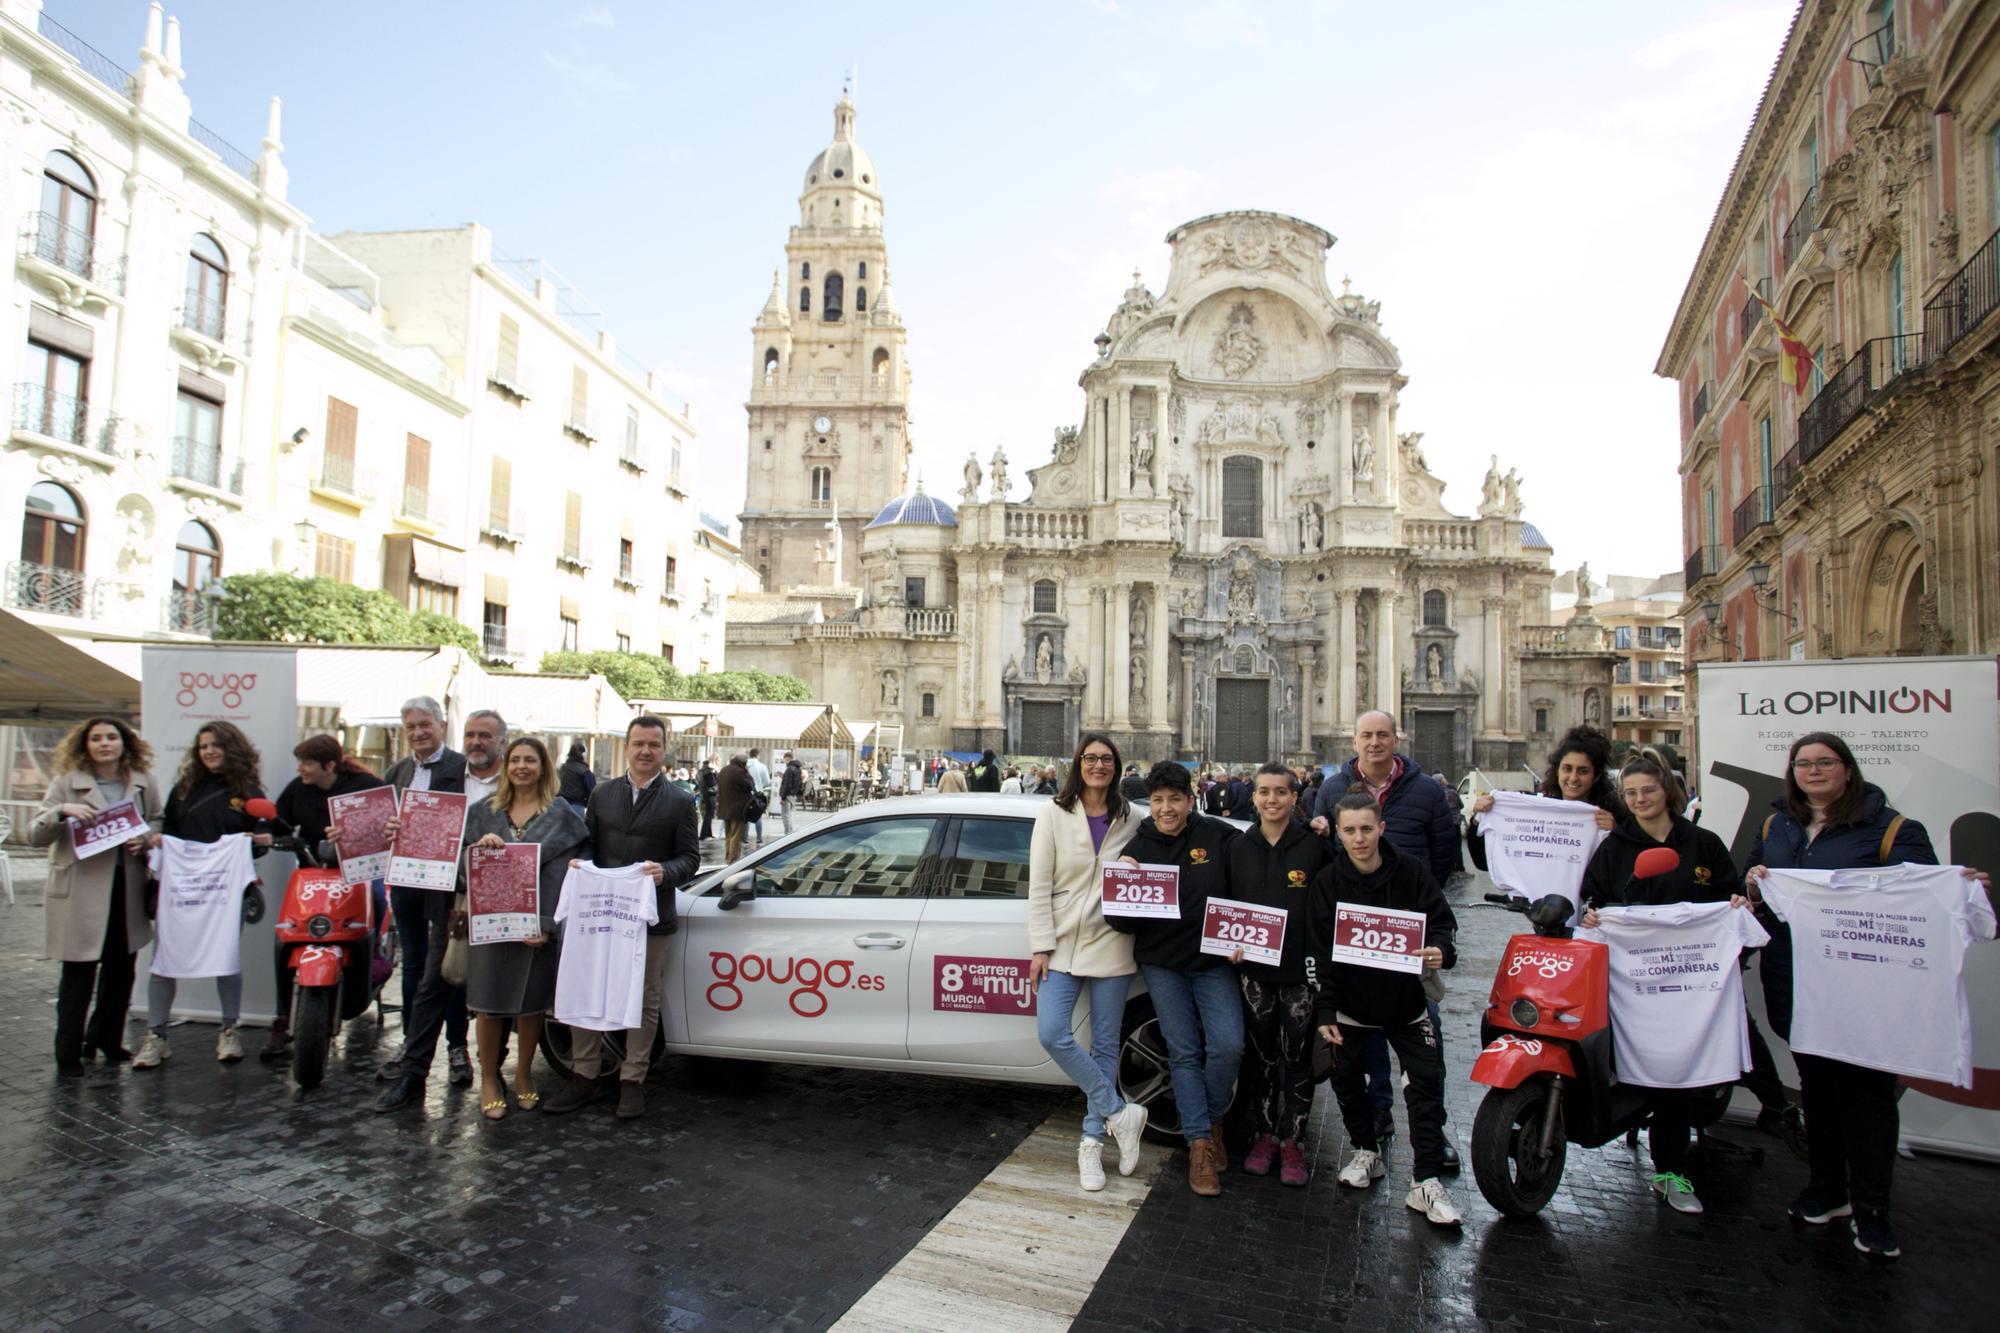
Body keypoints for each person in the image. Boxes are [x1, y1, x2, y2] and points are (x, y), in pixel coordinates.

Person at [1744, 731, 1992, 1262]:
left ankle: (1873, 1208)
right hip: (1799, 982)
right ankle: (1828, 1190)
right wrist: (1756, 884)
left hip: (1865, 990)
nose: (1813, 772)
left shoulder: (1892, 828)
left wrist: (1956, 886)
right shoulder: (1778, 825)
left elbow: (1922, 896)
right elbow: (1762, 896)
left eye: (1824, 763)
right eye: (1803, 763)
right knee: (1819, 1090)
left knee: (1868, 1096)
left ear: (1848, 770)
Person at [1578, 749, 1745, 1215]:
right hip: (1636, 983)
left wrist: (1733, 908)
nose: (1640, 800)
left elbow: (1725, 893)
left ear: (1666, 791)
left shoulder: (1704, 844)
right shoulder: (1613, 849)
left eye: (1648, 790)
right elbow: (1593, 897)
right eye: (1630, 794)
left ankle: (1670, 1169)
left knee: (1674, 1078)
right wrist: (1591, 913)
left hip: (1689, 984)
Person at [1310, 711, 1462, 1166]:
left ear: (1397, 739)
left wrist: (1417, 910)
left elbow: (1444, 854)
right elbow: (1324, 854)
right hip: (1356, 942)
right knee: (1362, 1044)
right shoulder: (1333, 789)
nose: (1375, 743)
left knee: (1423, 1045)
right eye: (1366, 736)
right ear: (1354, 741)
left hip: (1406, 938)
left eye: (1382, 735)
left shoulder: (1427, 791)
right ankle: (1376, 1121)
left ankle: (1433, 1135)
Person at [545, 715, 699, 1119]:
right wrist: (581, 865)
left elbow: (691, 858)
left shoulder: (681, 800)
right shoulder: (603, 794)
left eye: (653, 744)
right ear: (627, 748)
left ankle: (633, 1080)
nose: (645, 751)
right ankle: (585, 1075)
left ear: (664, 749)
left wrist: (667, 872)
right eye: (638, 744)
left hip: (651, 918)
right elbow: (590, 845)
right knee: (588, 988)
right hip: (602, 915)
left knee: (644, 1000)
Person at [1107, 761, 1241, 1195]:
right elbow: (1120, 922)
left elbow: (1265, 860)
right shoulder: (1136, 847)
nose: (1166, 809)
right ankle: (1199, 1144)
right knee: (1183, 1053)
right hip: (1163, 965)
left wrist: (1312, 833)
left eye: (1175, 800)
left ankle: (1212, 1118)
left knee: (1227, 1047)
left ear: (1190, 799)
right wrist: (1123, 885)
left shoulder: (1217, 836)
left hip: (1213, 963)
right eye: (1159, 800)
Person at [1029, 733, 1150, 1191]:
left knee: (1104, 1047)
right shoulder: (1053, 814)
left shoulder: (1132, 818)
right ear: (1077, 763)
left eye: (1106, 759)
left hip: (1112, 943)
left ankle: (1092, 1143)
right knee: (1052, 1032)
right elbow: (1038, 885)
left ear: (1117, 767)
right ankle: (1120, 1113)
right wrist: (1040, 945)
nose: (1098, 765)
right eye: (1091, 758)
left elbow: (1173, 840)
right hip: (1061, 944)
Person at [372, 707, 507, 1105]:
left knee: (493, 992)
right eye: (471, 735)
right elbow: (422, 830)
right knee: (434, 984)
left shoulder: (515, 781)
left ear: (501, 740)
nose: (476, 742)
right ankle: (413, 1075)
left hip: (500, 902)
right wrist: (401, 829)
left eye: (485, 735)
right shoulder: (445, 779)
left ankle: (491, 1076)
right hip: (449, 901)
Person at [462, 736, 589, 1120]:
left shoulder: (561, 814)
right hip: (490, 923)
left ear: (542, 767)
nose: (521, 766)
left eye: (529, 760)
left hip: (536, 927)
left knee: (530, 1006)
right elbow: (458, 870)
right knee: (489, 1004)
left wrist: (547, 925)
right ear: (506, 766)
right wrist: (478, 852)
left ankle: (522, 1076)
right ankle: (488, 1078)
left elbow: (565, 876)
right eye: (515, 759)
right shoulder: (482, 812)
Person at [135, 721, 270, 1068]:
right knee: (165, 958)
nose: (209, 751)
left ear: (231, 748)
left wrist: (258, 843)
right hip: (181, 889)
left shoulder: (249, 792)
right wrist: (160, 841)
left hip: (226, 893)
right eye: (203, 746)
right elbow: (171, 829)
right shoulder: (184, 789)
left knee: (225, 956)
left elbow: (260, 838)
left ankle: (229, 1030)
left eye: (216, 745)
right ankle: (156, 1036)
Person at [1226, 762, 1336, 1186]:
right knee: (1261, 1056)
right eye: (1264, 791)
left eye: (1280, 792)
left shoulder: (1314, 845)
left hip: (1299, 973)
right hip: (1254, 971)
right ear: (1253, 797)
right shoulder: (1239, 846)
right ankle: (1264, 1134)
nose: (1272, 799)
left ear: (1296, 798)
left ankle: (1294, 1140)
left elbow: (1335, 896)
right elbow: (1226, 905)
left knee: (1297, 1057)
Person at [32, 716, 162, 1075]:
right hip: (81, 891)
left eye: (112, 737)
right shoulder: (65, 783)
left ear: (125, 743)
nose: (105, 744)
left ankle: (105, 1038)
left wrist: (148, 837)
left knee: (121, 971)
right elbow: (35, 834)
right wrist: (62, 811)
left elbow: (157, 819)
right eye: (96, 738)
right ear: (85, 745)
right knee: (78, 973)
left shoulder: (143, 782)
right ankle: (68, 1052)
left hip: (125, 887)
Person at [369, 697, 470, 1086]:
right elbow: (381, 823)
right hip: (408, 879)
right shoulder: (396, 772)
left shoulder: (462, 768)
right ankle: (412, 1043)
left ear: (441, 724)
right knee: (412, 962)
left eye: (424, 724)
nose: (418, 733)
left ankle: (457, 1046)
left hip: (447, 883)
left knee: (452, 964)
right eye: (411, 726)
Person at [269, 735, 385, 1060]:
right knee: (286, 927)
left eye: (307, 763)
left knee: (378, 902)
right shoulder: (297, 788)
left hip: (357, 870)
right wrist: (270, 835)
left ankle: (376, 956)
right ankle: (281, 1017)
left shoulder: (363, 783)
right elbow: (278, 821)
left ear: (329, 766)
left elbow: (386, 812)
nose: (300, 769)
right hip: (312, 870)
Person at [715, 752, 754, 864]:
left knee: (729, 836)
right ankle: (733, 861)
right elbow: (749, 786)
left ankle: (728, 858)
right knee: (736, 836)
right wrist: (748, 774)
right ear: (744, 762)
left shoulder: (724, 770)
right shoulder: (740, 772)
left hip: (724, 808)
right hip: (737, 809)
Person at [558, 741, 596, 817]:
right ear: (583, 755)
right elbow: (593, 791)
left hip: (560, 806)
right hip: (577, 806)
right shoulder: (584, 771)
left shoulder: (562, 768)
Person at [746, 747, 771, 845]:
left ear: (750, 755)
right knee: (758, 816)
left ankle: (745, 838)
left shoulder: (745, 766)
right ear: (758, 755)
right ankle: (759, 838)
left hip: (746, 793)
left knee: (746, 816)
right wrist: (760, 785)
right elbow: (767, 782)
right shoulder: (762, 766)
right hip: (758, 794)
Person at [779, 751, 804, 836]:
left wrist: (782, 798)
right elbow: (797, 782)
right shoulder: (798, 768)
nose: (784, 761)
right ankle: (790, 833)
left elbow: (787, 785)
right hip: (793, 795)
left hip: (787, 795)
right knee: (789, 815)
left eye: (784, 759)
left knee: (785, 815)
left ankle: (788, 834)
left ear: (787, 758)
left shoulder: (790, 769)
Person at [698, 755, 718, 841]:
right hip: (711, 794)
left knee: (708, 814)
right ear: (715, 760)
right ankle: (704, 834)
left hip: (705, 793)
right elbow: (712, 784)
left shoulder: (703, 769)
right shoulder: (710, 771)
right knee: (709, 815)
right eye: (718, 760)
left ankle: (708, 833)